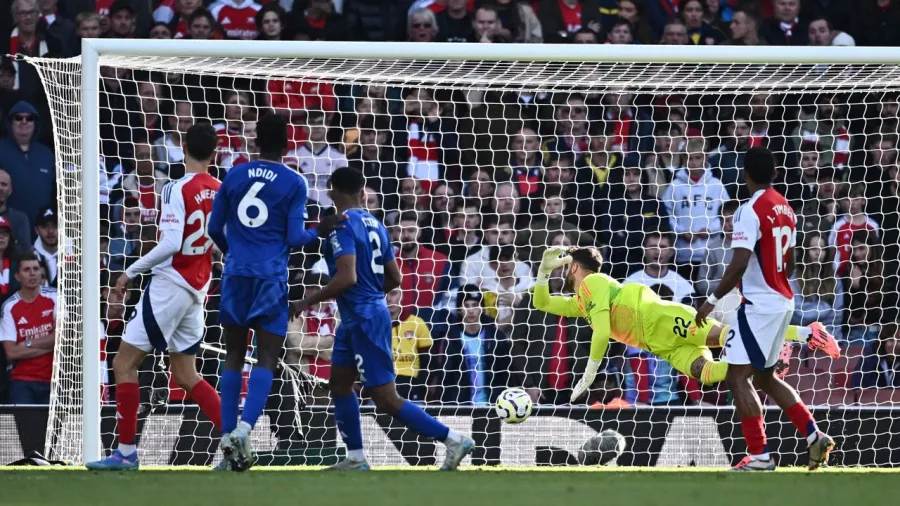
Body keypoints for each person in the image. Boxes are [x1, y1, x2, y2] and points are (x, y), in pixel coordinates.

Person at [292, 166, 473, 471]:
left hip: (363, 318)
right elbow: (396, 277)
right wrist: (374, 295)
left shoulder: (342, 226)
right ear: (363, 192)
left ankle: (453, 439)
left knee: (386, 400)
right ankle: (355, 457)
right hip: (359, 317)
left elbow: (347, 277)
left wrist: (306, 301)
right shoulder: (376, 223)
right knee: (339, 385)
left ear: (332, 191)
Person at [207, 114, 345, 471]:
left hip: (235, 275)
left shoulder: (234, 174)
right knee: (267, 357)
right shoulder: (293, 181)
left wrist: (234, 251)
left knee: (233, 356)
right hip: (269, 279)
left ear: (255, 143)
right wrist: (322, 228)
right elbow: (297, 238)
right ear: (286, 146)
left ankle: (227, 435)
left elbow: (213, 228)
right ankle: (245, 428)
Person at [84, 124, 225, 471]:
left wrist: (130, 271)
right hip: (198, 288)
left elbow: (171, 243)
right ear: (215, 152)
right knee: (185, 375)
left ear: (183, 148)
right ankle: (237, 439)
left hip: (170, 284)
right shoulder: (221, 191)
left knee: (123, 364)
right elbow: (221, 243)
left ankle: (126, 453)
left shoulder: (176, 188)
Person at [695, 147, 835, 471]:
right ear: (774, 174)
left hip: (758, 306)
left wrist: (712, 300)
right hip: (784, 300)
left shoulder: (748, 210)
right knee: (766, 378)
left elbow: (739, 263)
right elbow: (791, 261)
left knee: (736, 377)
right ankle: (814, 436)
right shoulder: (786, 208)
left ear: (745, 175)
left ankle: (760, 456)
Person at [0, 253, 55, 404]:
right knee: (26, 428)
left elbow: (60, 338)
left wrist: (26, 343)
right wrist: (50, 344)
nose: (32, 273)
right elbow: (11, 353)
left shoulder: (57, 298)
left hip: (54, 379)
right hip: (21, 382)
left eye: (36, 269)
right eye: (27, 270)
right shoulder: (9, 307)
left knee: (52, 428)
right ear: (17, 276)